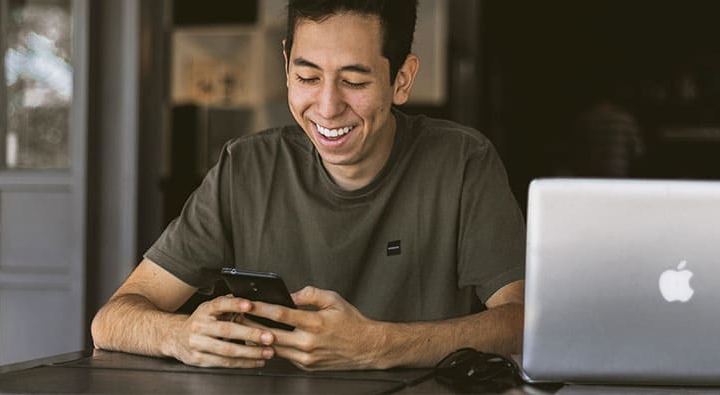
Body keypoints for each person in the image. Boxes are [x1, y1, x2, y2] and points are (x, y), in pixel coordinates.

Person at [91, 0, 525, 371]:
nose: (328, 107)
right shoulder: (245, 167)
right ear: (285, 66)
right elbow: (111, 319)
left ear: (402, 80)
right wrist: (182, 336)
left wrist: (373, 346)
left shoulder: (462, 162)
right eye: (307, 77)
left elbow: (521, 324)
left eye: (354, 81)